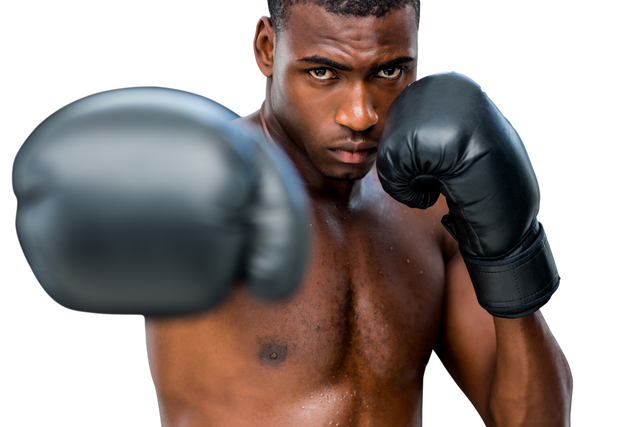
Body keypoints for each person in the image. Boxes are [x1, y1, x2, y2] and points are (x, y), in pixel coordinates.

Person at [141, 1, 573, 426]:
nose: (360, 116)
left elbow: (536, 422)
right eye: (324, 72)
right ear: (267, 47)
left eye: (388, 72)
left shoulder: (432, 208)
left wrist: (510, 251)